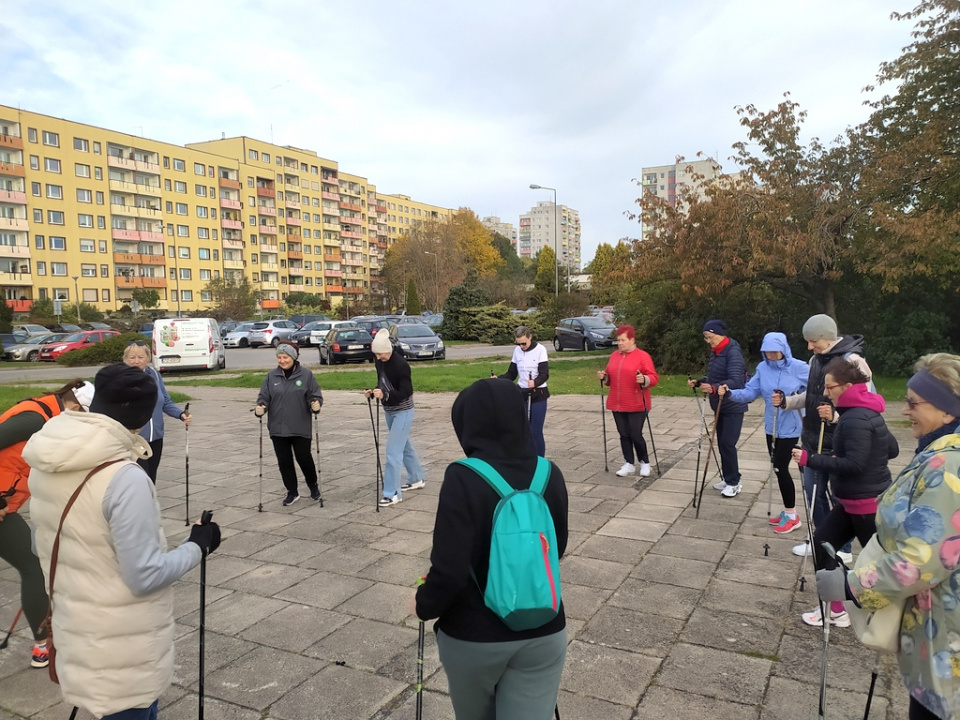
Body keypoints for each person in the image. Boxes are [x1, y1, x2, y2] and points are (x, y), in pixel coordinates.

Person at [23, 363, 221, 720]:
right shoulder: (124, 477)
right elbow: (144, 575)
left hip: (78, 626)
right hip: (122, 643)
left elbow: (41, 544)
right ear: (144, 417)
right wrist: (198, 545)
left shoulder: (50, 457)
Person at [814, 353, 960, 720]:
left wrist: (852, 587)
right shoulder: (937, 450)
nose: (905, 410)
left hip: (946, 637)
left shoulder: (950, 465)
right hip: (935, 627)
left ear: (947, 410)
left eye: (913, 403)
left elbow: (921, 560)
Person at [413, 378, 568, 720]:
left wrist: (425, 603)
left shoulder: (463, 476)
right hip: (544, 629)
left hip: (475, 635)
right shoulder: (549, 472)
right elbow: (556, 549)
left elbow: (450, 568)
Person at [790, 356, 898, 627]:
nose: (825, 392)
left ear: (847, 386)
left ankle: (887, 617)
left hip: (864, 505)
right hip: (852, 502)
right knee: (822, 545)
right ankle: (836, 608)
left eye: (830, 387)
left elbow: (854, 464)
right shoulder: (866, 411)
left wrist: (809, 459)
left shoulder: (856, 418)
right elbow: (891, 448)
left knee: (879, 567)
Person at [0, 379, 94, 669]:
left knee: (33, 563)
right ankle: (44, 646)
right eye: (84, 416)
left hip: (7, 507)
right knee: (32, 566)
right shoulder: (34, 419)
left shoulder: (50, 421)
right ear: (75, 406)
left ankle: (44, 643)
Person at [783, 314, 872, 561]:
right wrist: (789, 403)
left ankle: (843, 549)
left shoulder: (852, 361)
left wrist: (834, 417)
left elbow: (867, 405)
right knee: (813, 492)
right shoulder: (815, 359)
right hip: (813, 438)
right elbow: (812, 396)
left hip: (841, 443)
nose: (809, 347)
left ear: (827, 338)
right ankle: (823, 539)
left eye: (813, 341)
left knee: (840, 498)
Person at [718, 332, 809, 533]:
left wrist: (791, 398)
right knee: (777, 468)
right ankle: (788, 511)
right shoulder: (763, 368)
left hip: (791, 425)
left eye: (775, 352)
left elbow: (816, 390)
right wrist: (731, 393)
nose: (771, 356)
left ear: (783, 350)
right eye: (767, 352)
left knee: (780, 468)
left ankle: (793, 515)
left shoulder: (799, 367)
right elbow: (751, 391)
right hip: (771, 425)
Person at [255, 343, 323, 506]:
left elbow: (315, 395)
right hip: (278, 427)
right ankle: (292, 492)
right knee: (284, 461)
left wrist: (316, 404)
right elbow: (264, 396)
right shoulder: (272, 377)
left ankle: (313, 486)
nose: (282, 361)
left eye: (285, 357)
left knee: (304, 458)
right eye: (279, 357)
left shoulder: (306, 375)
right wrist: (261, 406)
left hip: (299, 426)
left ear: (293, 358)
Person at [687, 319, 747, 497]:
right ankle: (728, 478)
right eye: (705, 338)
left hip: (733, 404)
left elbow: (736, 380)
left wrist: (714, 388)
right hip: (720, 405)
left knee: (728, 443)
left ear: (720, 334)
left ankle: (735, 482)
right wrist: (700, 382)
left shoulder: (733, 352)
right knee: (722, 443)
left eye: (710, 337)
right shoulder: (716, 352)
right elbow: (715, 376)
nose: (708, 341)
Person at [365, 329, 424, 507]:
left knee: (392, 452)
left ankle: (392, 493)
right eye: (376, 354)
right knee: (404, 445)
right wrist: (374, 391)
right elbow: (383, 383)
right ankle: (416, 479)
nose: (378, 357)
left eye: (381, 353)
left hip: (403, 411)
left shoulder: (400, 365)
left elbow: (406, 392)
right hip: (389, 409)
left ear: (388, 350)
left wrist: (386, 395)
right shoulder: (379, 361)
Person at [122, 341, 190, 484]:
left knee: (151, 476)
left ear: (148, 358)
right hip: (135, 439)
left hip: (156, 437)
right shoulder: (121, 379)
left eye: (140, 357)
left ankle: (149, 504)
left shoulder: (154, 374)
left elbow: (165, 401)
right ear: (125, 359)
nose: (136, 361)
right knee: (141, 477)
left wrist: (181, 414)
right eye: (132, 357)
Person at [597, 324, 659, 477]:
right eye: (618, 340)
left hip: (637, 403)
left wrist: (643, 378)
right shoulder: (614, 356)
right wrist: (604, 377)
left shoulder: (642, 356)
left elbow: (654, 378)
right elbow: (610, 378)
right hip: (617, 403)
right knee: (623, 434)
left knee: (635, 434)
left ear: (632, 340)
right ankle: (629, 463)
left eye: (623, 340)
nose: (620, 343)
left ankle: (645, 462)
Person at [496, 325, 549, 456]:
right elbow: (511, 374)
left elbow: (544, 374)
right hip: (522, 393)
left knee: (535, 430)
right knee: (523, 429)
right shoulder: (517, 351)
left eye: (524, 343)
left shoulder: (540, 350)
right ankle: (526, 457)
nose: (522, 346)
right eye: (519, 344)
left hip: (538, 394)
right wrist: (498, 379)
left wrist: (535, 382)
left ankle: (539, 460)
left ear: (530, 337)